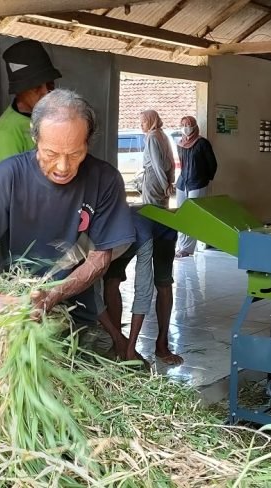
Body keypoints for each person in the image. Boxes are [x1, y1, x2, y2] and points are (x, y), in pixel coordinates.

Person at [0, 90, 135, 348]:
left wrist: (55, 295)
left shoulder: (105, 180)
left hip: (78, 313)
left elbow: (100, 257)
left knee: (78, 377)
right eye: (51, 153)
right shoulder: (9, 176)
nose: (62, 167)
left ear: (88, 141)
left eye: (74, 154)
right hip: (18, 311)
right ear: (35, 137)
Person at [104, 207, 182, 364]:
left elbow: (143, 293)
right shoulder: (104, 238)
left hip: (162, 228)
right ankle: (118, 343)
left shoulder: (143, 240)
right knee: (110, 282)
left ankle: (162, 345)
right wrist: (118, 338)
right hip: (127, 230)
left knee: (163, 283)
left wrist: (131, 348)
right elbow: (93, 295)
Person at [0, 40, 62, 166]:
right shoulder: (7, 133)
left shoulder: (50, 117)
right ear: (20, 91)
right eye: (36, 87)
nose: (47, 92)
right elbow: (7, 183)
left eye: (50, 84)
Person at [175, 115, 217, 258]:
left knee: (192, 214)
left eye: (188, 124)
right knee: (181, 214)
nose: (185, 127)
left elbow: (212, 164)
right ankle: (181, 246)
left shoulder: (202, 143)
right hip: (182, 183)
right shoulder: (180, 143)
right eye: (183, 124)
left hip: (197, 183)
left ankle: (187, 249)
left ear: (194, 126)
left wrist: (205, 179)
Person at [138, 110, 175, 208]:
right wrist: (170, 180)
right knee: (162, 208)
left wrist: (165, 186)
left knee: (152, 209)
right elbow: (171, 160)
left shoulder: (152, 137)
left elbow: (156, 164)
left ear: (152, 121)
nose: (141, 125)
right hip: (164, 176)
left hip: (154, 177)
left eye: (144, 122)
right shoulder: (163, 135)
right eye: (140, 122)